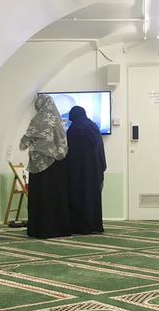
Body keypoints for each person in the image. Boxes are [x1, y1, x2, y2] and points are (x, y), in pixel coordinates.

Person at [19, 95, 71, 239]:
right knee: (56, 196)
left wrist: (23, 144)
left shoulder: (39, 119)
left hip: (40, 166)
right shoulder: (59, 121)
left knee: (42, 196)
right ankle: (59, 229)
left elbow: (26, 140)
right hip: (58, 165)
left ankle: (41, 229)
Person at [66, 105, 107, 234]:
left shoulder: (75, 128)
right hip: (95, 170)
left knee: (79, 196)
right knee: (93, 197)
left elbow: (71, 152)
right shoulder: (93, 126)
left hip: (79, 172)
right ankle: (94, 225)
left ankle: (81, 227)